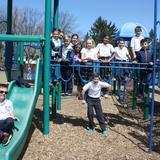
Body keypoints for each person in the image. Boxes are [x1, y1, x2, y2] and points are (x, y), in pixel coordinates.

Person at [81, 73, 111, 137]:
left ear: (98, 79)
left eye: (97, 79)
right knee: (90, 113)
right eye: (95, 79)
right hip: (90, 99)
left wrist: (107, 94)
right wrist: (83, 99)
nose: (96, 80)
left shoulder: (100, 83)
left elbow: (109, 86)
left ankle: (104, 130)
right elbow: (83, 91)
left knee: (100, 114)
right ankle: (91, 127)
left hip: (97, 100)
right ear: (92, 79)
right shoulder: (90, 84)